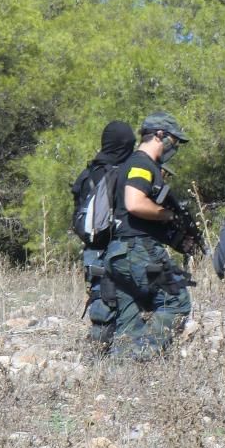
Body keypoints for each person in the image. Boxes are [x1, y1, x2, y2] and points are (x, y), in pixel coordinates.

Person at [105, 112, 193, 358]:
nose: (174, 147)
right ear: (159, 135)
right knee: (176, 302)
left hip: (120, 253)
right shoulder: (142, 165)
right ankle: (141, 356)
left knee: (129, 317)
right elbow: (134, 203)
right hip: (139, 250)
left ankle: (120, 371)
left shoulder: (131, 164)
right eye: (174, 141)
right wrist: (167, 215)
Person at [71, 120, 135, 348]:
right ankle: (122, 354)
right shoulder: (123, 174)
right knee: (127, 303)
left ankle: (99, 350)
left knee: (101, 301)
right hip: (119, 248)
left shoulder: (86, 175)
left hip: (92, 251)